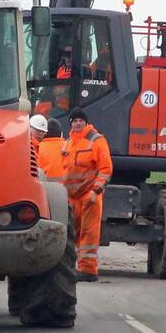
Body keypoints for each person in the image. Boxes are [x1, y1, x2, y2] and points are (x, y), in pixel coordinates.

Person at [59, 111, 113, 281]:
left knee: (89, 234)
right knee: (72, 234)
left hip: (89, 196)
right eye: (75, 121)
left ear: (86, 122)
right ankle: (74, 268)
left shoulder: (96, 140)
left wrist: (95, 191)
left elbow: (106, 168)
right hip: (71, 198)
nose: (78, 123)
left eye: (81, 120)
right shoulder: (67, 143)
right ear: (71, 123)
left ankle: (88, 270)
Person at [31, 113, 64, 179]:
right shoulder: (69, 146)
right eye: (39, 131)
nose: (40, 134)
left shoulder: (38, 147)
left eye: (42, 132)